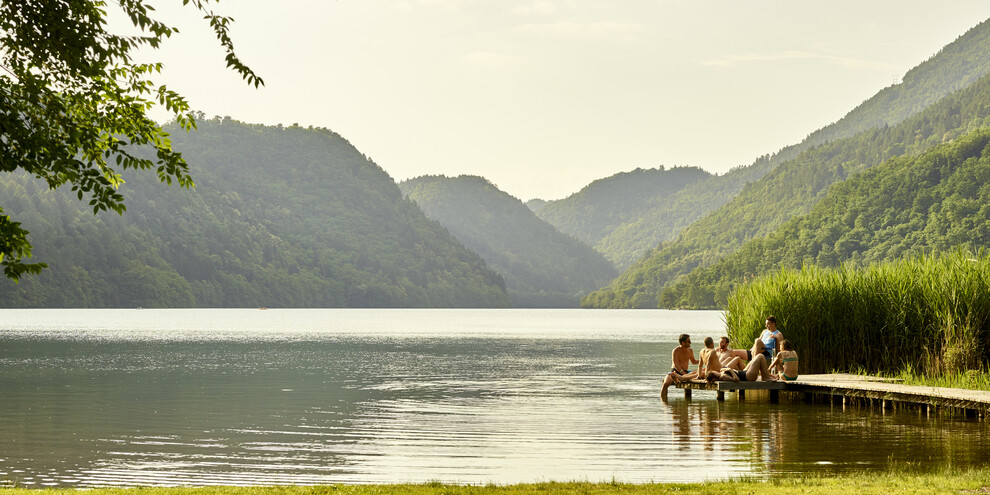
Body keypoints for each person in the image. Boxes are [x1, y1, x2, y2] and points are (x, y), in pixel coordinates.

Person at [660, 334, 699, 399]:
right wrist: (683, 373)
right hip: (675, 371)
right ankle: (664, 402)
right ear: (683, 342)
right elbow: (675, 364)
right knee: (666, 383)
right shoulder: (676, 351)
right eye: (688, 341)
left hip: (686, 371)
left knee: (697, 373)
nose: (690, 342)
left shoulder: (690, 350)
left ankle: (687, 399)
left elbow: (693, 362)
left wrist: (703, 360)